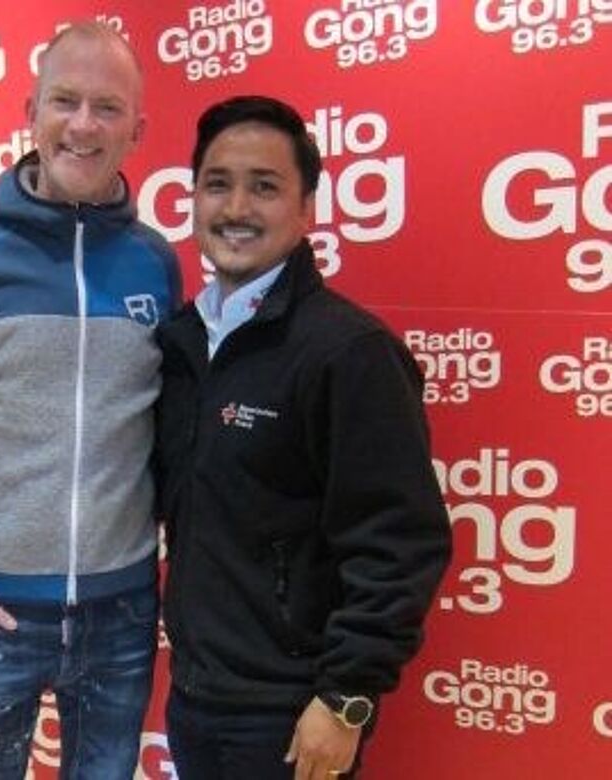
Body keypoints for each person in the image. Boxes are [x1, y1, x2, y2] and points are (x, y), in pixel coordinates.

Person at [0, 22, 181, 779]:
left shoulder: (155, 264)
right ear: (32, 112)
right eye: (65, 101)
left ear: (137, 130)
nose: (84, 125)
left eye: (108, 108)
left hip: (122, 612)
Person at [154, 96, 451, 780]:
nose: (236, 208)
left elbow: (400, 541)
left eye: (264, 187)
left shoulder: (348, 352)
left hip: (293, 714)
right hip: (195, 697)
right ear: (193, 200)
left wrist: (347, 696)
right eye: (218, 184)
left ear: (307, 209)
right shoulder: (179, 344)